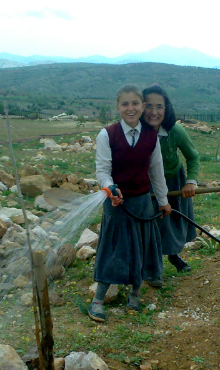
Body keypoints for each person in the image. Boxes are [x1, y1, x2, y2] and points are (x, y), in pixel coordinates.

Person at [88, 84, 172, 323]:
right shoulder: (107, 135)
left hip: (143, 203)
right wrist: (110, 188)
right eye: (125, 104)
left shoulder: (150, 136)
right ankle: (98, 300)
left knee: (141, 248)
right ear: (118, 107)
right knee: (112, 250)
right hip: (116, 204)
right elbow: (103, 170)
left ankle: (134, 295)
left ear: (142, 106)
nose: (130, 108)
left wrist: (163, 201)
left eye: (135, 103)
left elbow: (157, 172)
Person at [141, 84, 200, 286]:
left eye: (160, 106)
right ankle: (153, 270)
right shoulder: (136, 132)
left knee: (172, 221)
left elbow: (193, 157)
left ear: (166, 109)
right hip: (146, 185)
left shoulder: (175, 131)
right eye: (148, 106)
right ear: (141, 107)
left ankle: (173, 255)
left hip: (173, 181)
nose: (154, 112)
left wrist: (191, 181)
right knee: (152, 224)